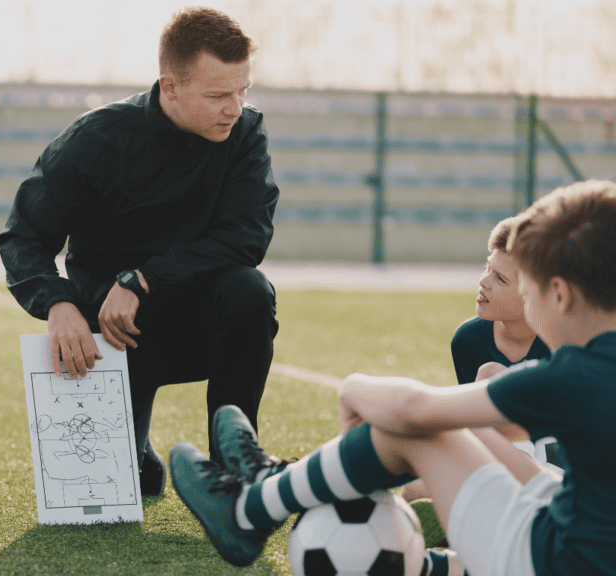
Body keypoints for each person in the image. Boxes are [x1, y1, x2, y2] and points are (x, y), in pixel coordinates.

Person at [171, 180, 616, 576]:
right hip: (586, 534)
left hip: (562, 562)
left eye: (527, 290)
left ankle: (250, 509)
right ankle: (412, 561)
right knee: (475, 428)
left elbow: (413, 410)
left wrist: (354, 388)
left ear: (558, 294)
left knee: (410, 431)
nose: (525, 300)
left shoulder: (581, 373)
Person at [0, 7, 280, 497]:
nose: (234, 108)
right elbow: (24, 236)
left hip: (199, 326)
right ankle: (138, 448)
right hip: (114, 334)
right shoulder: (93, 140)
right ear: (170, 87)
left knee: (250, 291)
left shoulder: (245, 134)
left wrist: (140, 278)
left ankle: (234, 467)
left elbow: (247, 236)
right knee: (126, 484)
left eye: (243, 90)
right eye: (218, 95)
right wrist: (57, 303)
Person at [401, 217, 556, 505]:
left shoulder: (564, 343)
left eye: (500, 278)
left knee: (492, 374)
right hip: (497, 461)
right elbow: (476, 429)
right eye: (487, 268)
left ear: (533, 294)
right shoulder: (468, 339)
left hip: (555, 470)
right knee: (413, 491)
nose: (483, 282)